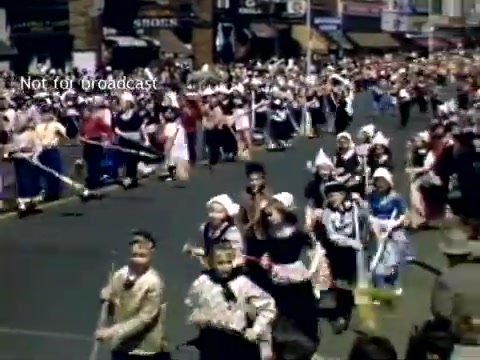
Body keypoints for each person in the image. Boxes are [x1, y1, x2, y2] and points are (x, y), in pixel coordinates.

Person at [185, 240, 276, 360]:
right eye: (220, 263)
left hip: (235, 340)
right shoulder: (203, 282)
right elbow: (191, 302)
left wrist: (256, 329)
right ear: (212, 263)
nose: (225, 267)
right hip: (210, 340)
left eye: (228, 262)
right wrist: (201, 317)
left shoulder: (241, 282)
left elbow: (268, 305)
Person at [261, 192, 323, 360]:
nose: (269, 218)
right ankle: (283, 345)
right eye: (267, 215)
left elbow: (317, 250)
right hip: (278, 278)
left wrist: (310, 271)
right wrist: (266, 259)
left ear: (283, 213)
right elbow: (269, 251)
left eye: (272, 214)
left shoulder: (297, 234)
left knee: (302, 312)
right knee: (280, 311)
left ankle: (307, 344)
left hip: (297, 278)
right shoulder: (270, 233)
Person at [96, 230, 168, 360]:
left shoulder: (153, 282)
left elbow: (145, 318)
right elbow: (114, 304)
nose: (139, 251)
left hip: (144, 348)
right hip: (121, 345)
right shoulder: (119, 275)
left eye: (143, 253)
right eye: (135, 253)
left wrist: (113, 331)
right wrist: (107, 296)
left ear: (151, 252)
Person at [322, 181, 367, 333]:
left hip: (357, 252)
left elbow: (366, 219)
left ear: (343, 195)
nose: (331, 198)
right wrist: (351, 242)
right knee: (341, 287)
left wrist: (362, 204)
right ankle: (342, 315)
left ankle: (364, 319)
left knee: (360, 285)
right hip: (339, 253)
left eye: (333, 195)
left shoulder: (354, 208)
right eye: (328, 196)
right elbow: (332, 236)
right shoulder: (327, 213)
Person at [368, 167, 410, 297]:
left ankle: (394, 280)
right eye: (377, 181)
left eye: (382, 181)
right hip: (376, 229)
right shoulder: (372, 196)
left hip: (392, 229)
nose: (379, 184)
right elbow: (368, 212)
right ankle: (378, 285)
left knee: (392, 259)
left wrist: (394, 224)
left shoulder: (395, 197)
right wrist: (373, 222)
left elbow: (404, 213)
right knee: (376, 258)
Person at [184, 194, 243, 268]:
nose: (212, 215)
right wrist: (193, 250)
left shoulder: (231, 232)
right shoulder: (205, 229)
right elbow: (206, 250)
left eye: (217, 212)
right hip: (212, 269)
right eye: (210, 211)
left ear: (226, 214)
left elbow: (236, 257)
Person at [35, 106, 68, 201]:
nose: (45, 115)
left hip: (50, 150)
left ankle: (53, 192)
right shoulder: (40, 126)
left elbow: (64, 135)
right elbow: (36, 138)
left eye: (47, 113)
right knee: (46, 172)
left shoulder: (55, 125)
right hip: (44, 151)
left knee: (53, 171)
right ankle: (49, 191)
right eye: (44, 113)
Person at [162, 106, 190, 184]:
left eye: (169, 112)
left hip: (175, 146)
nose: (166, 114)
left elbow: (170, 138)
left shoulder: (170, 125)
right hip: (181, 145)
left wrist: (167, 146)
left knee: (171, 160)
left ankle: (173, 174)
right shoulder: (179, 125)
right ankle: (177, 173)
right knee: (178, 159)